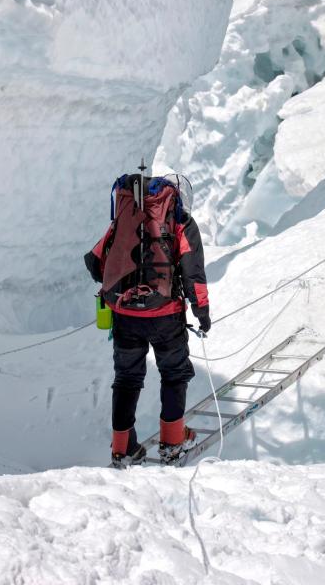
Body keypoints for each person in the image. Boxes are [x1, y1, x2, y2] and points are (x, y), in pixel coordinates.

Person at [84, 173, 210, 467]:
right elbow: (193, 273)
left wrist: (123, 284)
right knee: (174, 374)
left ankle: (123, 447)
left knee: (127, 378)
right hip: (165, 316)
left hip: (125, 315)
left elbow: (94, 261)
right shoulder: (181, 223)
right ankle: (173, 440)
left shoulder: (124, 220)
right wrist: (201, 312)